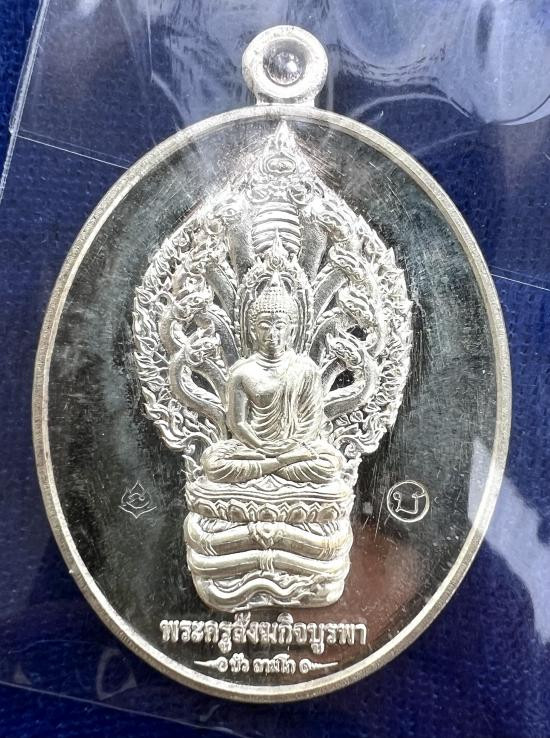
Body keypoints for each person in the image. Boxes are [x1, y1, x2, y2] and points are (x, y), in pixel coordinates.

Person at [201, 271, 343, 484]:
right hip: (253, 447)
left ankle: (269, 466)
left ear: (292, 330)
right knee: (212, 464)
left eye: (280, 326)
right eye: (264, 326)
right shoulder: (242, 373)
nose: (272, 334)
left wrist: (289, 445)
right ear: (252, 331)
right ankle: (280, 464)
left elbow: (311, 421)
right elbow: (238, 422)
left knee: (331, 464)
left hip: (295, 446)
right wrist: (261, 446)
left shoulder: (306, 370)